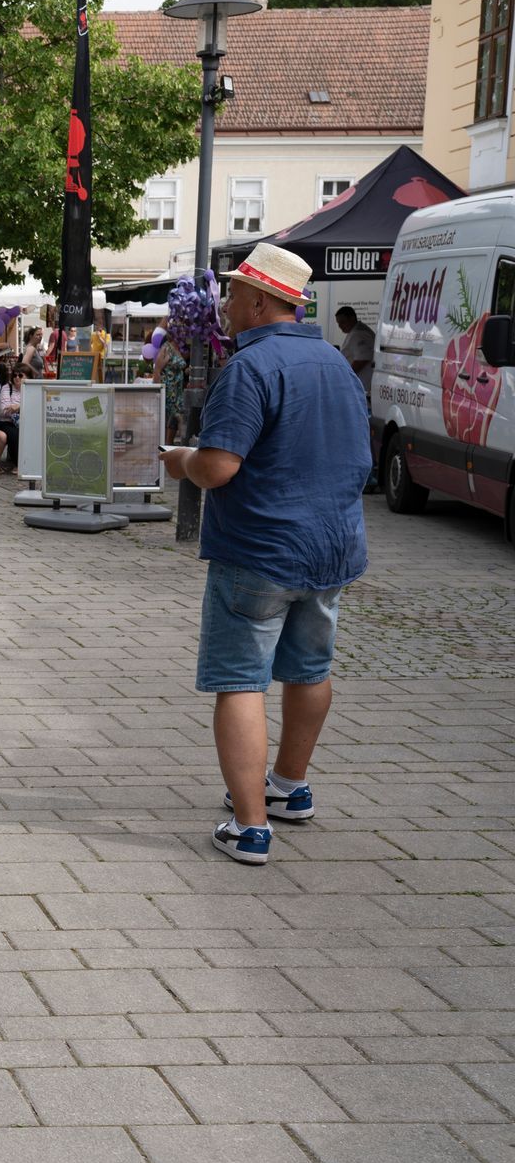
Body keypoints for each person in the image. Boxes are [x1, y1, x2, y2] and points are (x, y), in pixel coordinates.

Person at [159, 242, 369, 867]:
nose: (224, 305)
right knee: (310, 670)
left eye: (231, 294)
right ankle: (289, 787)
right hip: (331, 548)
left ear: (257, 302)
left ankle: (250, 827)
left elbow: (218, 468)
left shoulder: (248, 369)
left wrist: (181, 461)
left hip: (259, 550)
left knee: (240, 681)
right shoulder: (336, 363)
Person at [335, 306, 376, 395]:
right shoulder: (356, 331)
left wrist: (346, 376)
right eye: (338, 323)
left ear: (352, 318)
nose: (340, 326)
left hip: (362, 385)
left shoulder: (358, 334)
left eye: (342, 322)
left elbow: (362, 359)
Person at [157, 331, 187, 443]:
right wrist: (158, 390)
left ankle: (171, 442)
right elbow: (157, 370)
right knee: (174, 415)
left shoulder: (179, 348)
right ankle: (167, 442)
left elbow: (179, 367)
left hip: (178, 388)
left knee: (177, 415)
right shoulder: (166, 348)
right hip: (169, 389)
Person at [0, 365, 26, 465]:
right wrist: (21, 408)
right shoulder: (7, 388)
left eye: (20, 375)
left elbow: (35, 406)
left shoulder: (30, 389)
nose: (17, 378)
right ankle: (18, 464)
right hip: (6, 422)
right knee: (15, 434)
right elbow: (4, 411)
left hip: (26, 422)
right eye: (14, 375)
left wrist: (19, 407)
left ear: (27, 377)